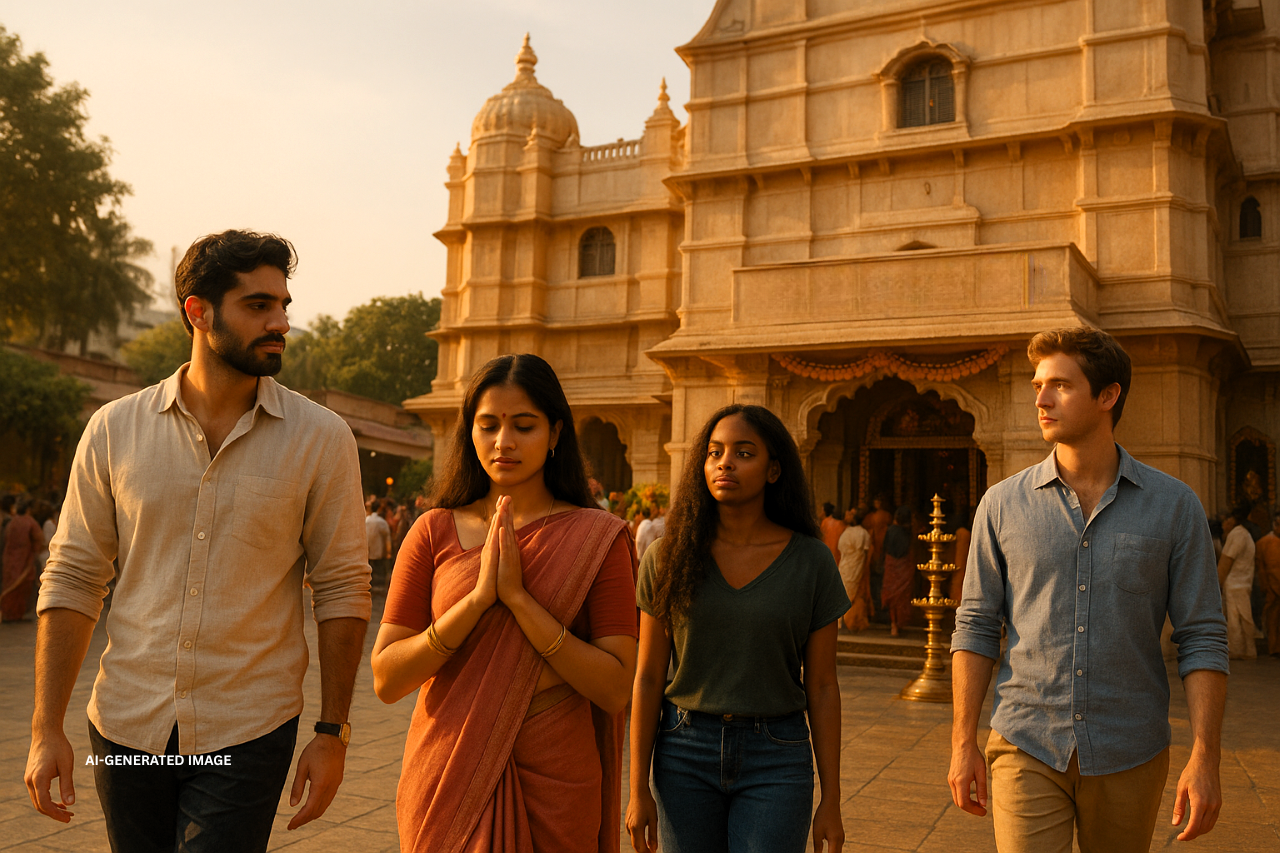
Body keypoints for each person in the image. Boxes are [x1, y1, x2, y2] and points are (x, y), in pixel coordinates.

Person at [25, 230, 371, 853]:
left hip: (249, 728)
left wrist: (332, 731)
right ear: (198, 311)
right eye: (258, 306)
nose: (281, 323)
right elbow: (75, 576)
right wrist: (46, 726)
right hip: (128, 724)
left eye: (283, 305)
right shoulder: (115, 429)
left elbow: (342, 586)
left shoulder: (321, 440)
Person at [949, 326, 1229, 853]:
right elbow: (977, 626)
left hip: (1131, 748)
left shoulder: (1173, 507)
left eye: (1060, 385)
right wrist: (963, 741)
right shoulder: (1002, 505)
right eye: (1038, 384)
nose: (1041, 398)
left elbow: (1202, 635)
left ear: (1108, 395)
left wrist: (1205, 754)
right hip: (1026, 741)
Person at [370, 353, 638, 853]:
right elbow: (386, 677)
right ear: (469, 432)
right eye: (488, 424)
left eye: (524, 425)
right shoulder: (433, 531)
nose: (503, 442)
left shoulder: (597, 538)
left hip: (556, 780)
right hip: (448, 771)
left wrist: (519, 601)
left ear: (556, 433)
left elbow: (616, 687)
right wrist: (475, 602)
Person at [627, 404, 848, 853]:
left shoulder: (811, 561)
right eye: (714, 452)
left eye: (744, 453)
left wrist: (832, 800)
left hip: (777, 755)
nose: (725, 462)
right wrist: (637, 791)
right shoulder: (668, 558)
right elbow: (649, 676)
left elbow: (823, 685)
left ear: (773, 471)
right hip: (683, 751)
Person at [1218, 508, 1257, 660]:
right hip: (1240, 583)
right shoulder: (1242, 534)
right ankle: (1246, 649)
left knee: (1237, 618)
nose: (1223, 524)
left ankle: (1241, 649)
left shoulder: (1238, 534)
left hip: (1236, 584)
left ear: (1232, 521)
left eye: (1226, 520)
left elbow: (1226, 561)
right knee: (1240, 617)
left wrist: (1217, 584)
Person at [2, 496, 44, 621]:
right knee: (21, 586)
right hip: (24, 558)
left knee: (10, 584)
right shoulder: (30, 522)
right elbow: (38, 539)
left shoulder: (11, 522)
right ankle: (15, 614)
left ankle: (8, 613)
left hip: (9, 557)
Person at [880, 506, 915, 637]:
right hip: (903, 567)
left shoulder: (890, 530)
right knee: (901, 597)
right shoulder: (908, 532)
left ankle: (894, 624)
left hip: (892, 565)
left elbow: (885, 548)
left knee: (893, 597)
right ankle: (898, 623)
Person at [837, 507, 872, 632]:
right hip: (849, 565)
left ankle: (848, 621)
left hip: (851, 565)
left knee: (848, 592)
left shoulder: (858, 533)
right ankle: (843, 621)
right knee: (846, 591)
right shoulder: (856, 532)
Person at [1254, 512, 1280, 657]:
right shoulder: (1265, 542)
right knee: (1272, 619)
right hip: (1272, 587)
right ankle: (1274, 648)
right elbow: (1265, 567)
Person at [367, 499, 393, 588]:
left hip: (368, 550)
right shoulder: (382, 522)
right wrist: (388, 551)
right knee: (379, 571)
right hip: (379, 551)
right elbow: (387, 538)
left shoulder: (366, 520)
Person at [819, 502, 846, 566]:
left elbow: (821, 538)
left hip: (828, 551)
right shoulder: (841, 524)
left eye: (822, 510)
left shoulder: (825, 522)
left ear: (825, 512)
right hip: (838, 553)